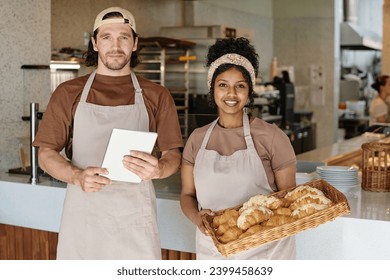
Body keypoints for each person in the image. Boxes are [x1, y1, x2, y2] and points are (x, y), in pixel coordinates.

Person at [33, 7, 183, 260]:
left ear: (135, 43)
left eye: (124, 37)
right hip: (84, 220)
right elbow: (46, 153)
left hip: (136, 220)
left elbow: (174, 156)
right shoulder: (68, 93)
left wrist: (158, 169)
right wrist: (77, 176)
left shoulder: (157, 95)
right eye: (106, 37)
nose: (116, 46)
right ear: (94, 43)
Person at [180, 37, 297, 260]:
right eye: (223, 85)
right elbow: (187, 194)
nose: (231, 94)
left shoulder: (272, 137)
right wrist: (198, 219)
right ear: (212, 89)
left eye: (240, 86)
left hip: (263, 252)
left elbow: (288, 203)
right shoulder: (197, 139)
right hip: (213, 249)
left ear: (249, 91)